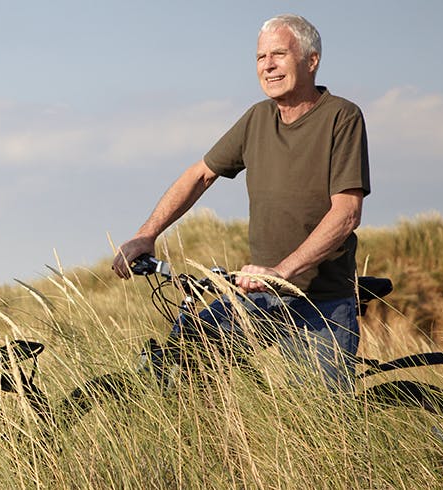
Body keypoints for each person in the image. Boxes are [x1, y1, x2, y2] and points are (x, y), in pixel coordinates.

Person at [111, 14, 371, 392]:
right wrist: (146, 235)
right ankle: (221, 445)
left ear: (311, 60)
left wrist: (283, 270)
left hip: (320, 303)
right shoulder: (256, 119)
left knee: (322, 428)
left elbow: (346, 214)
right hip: (259, 296)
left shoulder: (341, 117)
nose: (267, 65)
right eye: (260, 57)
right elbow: (200, 175)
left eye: (279, 54)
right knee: (187, 350)